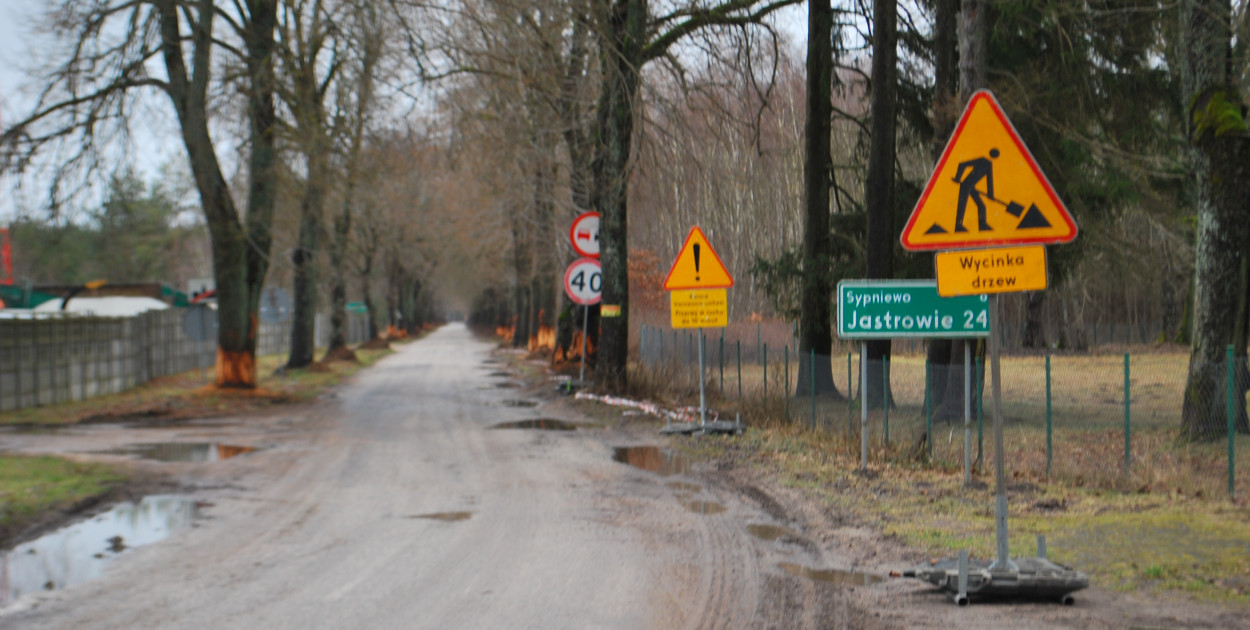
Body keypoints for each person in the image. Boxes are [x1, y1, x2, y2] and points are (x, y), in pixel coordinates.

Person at [952, 148, 999, 233]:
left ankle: (982, 225)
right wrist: (957, 178)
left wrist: (990, 194)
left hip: (972, 187)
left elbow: (989, 180)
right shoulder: (982, 160)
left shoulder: (988, 164)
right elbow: (962, 164)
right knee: (962, 206)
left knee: (982, 206)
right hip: (965, 186)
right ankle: (958, 226)